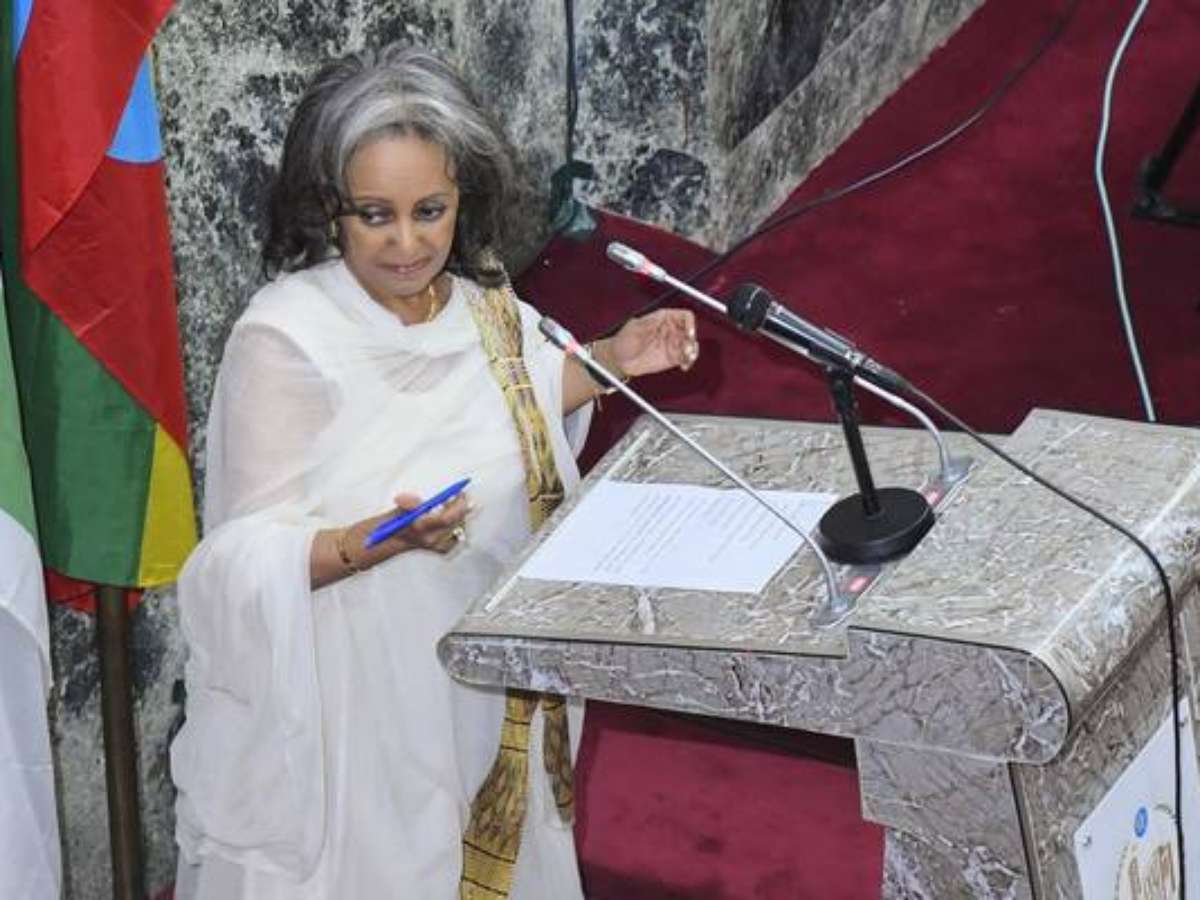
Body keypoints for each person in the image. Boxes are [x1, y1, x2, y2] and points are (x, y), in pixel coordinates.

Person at [169, 43, 698, 900]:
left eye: (430, 211)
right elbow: (234, 563)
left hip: (481, 682)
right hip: (356, 715)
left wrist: (610, 360)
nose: (408, 243)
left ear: (462, 197)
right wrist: (369, 542)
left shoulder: (485, 306)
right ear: (330, 208)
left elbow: (516, 409)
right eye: (375, 215)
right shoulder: (286, 336)